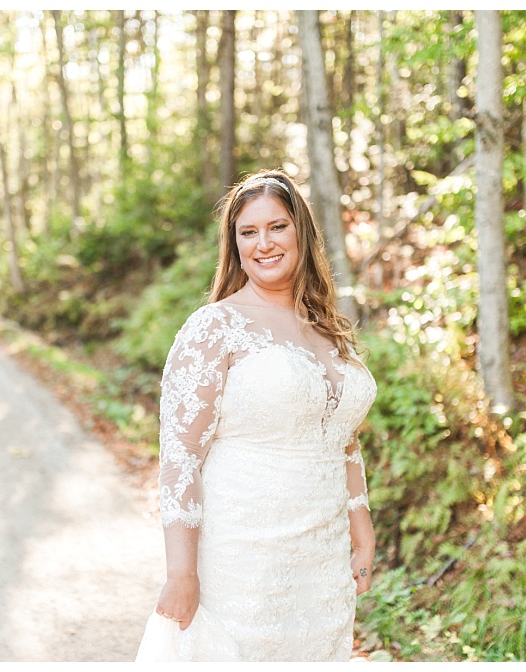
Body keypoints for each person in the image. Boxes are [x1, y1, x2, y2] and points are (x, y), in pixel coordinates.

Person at [135, 169, 377, 662]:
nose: (264, 243)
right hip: (242, 560)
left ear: (301, 233)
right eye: (249, 231)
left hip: (323, 564)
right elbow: (180, 458)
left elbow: (343, 439)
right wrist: (181, 573)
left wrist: (362, 530)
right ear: (236, 244)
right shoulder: (214, 328)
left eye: (277, 227)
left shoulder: (329, 332)